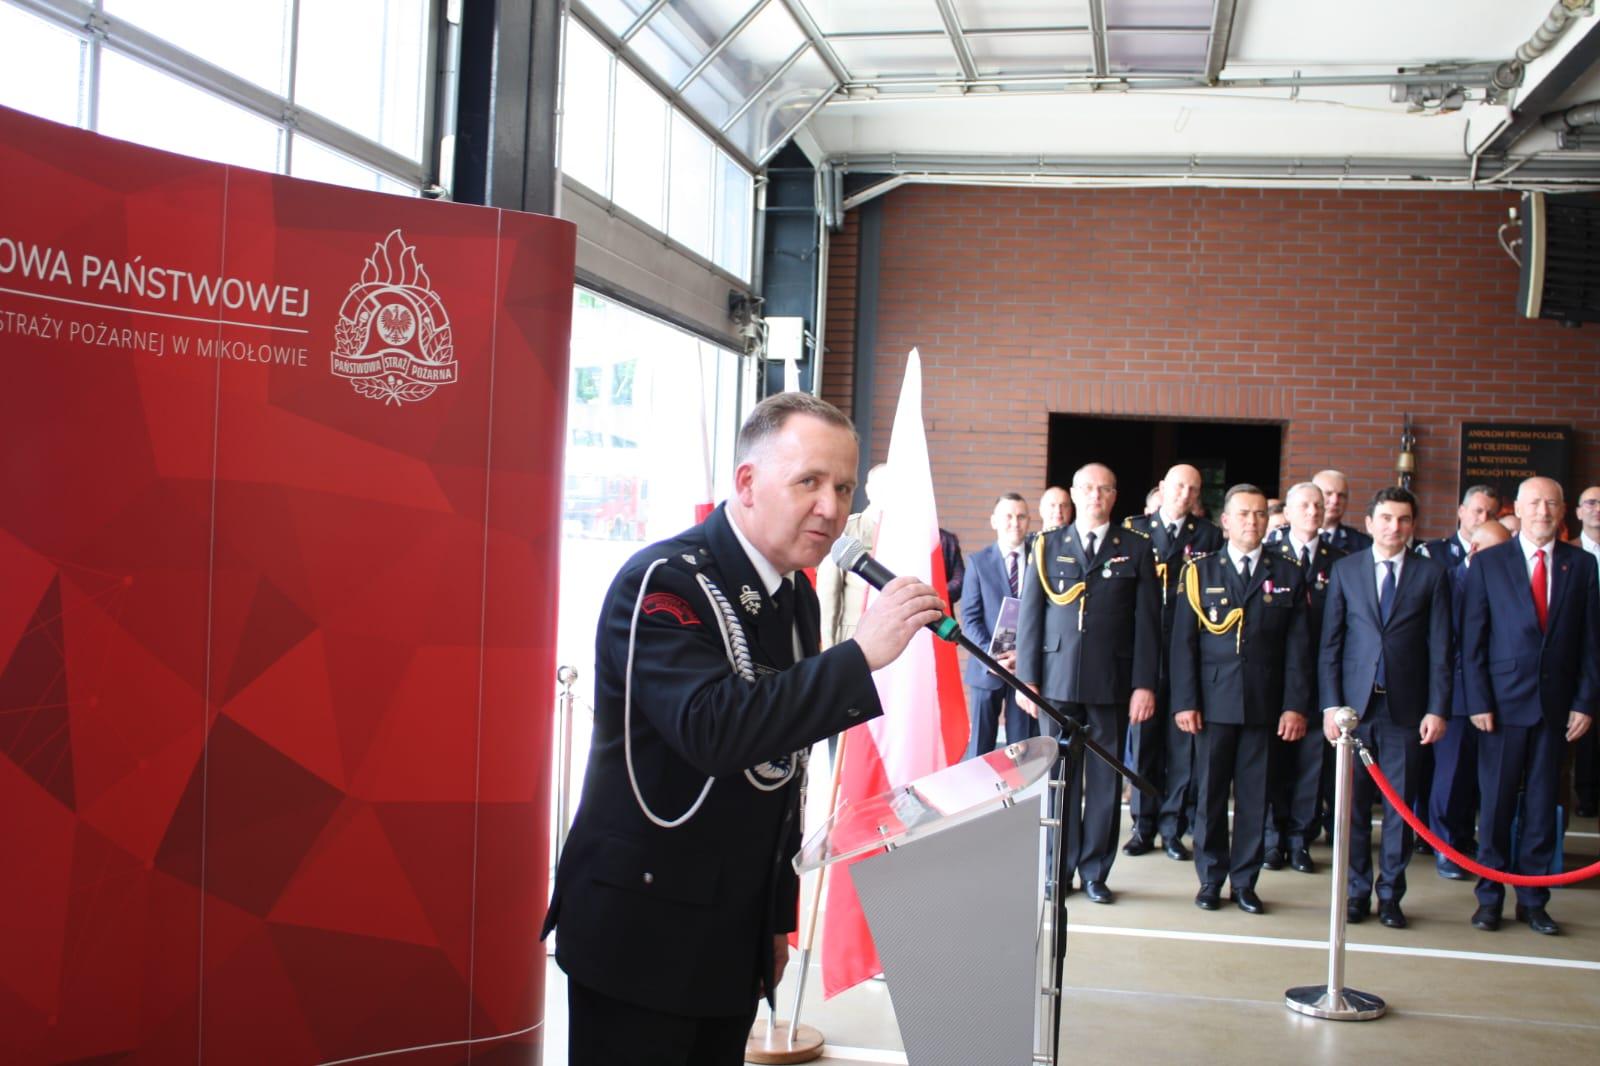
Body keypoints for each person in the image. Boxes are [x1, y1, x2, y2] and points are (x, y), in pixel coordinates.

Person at [543, 393, 946, 1065]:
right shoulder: (664, 583)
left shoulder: (794, 595)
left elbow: (782, 778)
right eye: (809, 481)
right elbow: (714, 731)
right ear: (748, 483)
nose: (831, 507)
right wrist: (858, 657)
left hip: (730, 935)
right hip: (642, 934)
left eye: (843, 487)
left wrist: (775, 920)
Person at [1016, 463, 1160, 905]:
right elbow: (1030, 617)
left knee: (1103, 784)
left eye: (1105, 489)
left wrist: (1144, 684)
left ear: (1114, 496)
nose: (1096, 495)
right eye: (1088, 488)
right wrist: (1026, 679)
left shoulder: (1135, 547)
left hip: (1111, 682)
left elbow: (1148, 624)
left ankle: (1096, 872)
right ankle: (1056, 870)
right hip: (1055, 682)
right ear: (1074, 494)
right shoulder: (1046, 545)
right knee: (1057, 779)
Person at [1462, 476, 1598, 935]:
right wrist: (1478, 699)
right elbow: (1472, 640)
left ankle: (1534, 901)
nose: (1543, 511)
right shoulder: (1489, 563)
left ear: (1563, 511)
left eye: (1551, 503)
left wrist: (1585, 702)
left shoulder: (1581, 566)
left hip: (1557, 710)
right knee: (1496, 806)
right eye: (1535, 503)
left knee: (1542, 809)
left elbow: (1591, 644)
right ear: (1517, 510)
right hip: (1500, 708)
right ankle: (1489, 898)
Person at [1171, 484, 1311, 915]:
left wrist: (1294, 705)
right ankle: (1211, 879)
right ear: (1226, 522)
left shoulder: (1287, 572)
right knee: (1210, 796)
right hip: (1212, 704)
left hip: (1264, 703)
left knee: (1255, 797)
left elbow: (1299, 648)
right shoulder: (1199, 572)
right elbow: (1183, 644)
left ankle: (1245, 882)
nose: (1253, 521)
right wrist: (1185, 701)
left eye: (1260, 514)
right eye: (1244, 514)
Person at [1318, 487, 1452, 929]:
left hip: (1406, 712)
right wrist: (1330, 706)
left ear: (1413, 525)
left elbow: (1440, 649)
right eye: (1387, 518)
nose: (1395, 527)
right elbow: (1331, 645)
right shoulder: (1346, 569)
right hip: (1353, 712)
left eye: (1404, 519)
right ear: (1370, 522)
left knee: (1400, 809)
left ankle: (1391, 895)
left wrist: (1438, 709)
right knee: (1352, 808)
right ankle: (1356, 892)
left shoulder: (1431, 575)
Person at [1120, 464, 1223, 861]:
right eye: (1179, 486)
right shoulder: (1134, 530)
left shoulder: (1208, 535)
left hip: (1187, 651)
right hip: (1144, 649)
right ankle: (1142, 825)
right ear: (1162, 488)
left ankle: (1172, 827)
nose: (1185, 494)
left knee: (1182, 747)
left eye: (1193, 489)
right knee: (1144, 743)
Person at [1263, 482, 1345, 873]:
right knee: (1271, 762)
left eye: (1318, 505)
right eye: (1305, 506)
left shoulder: (1339, 561)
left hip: (1318, 676)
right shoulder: (1268, 555)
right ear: (1288, 512)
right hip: (1272, 676)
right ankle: (1271, 838)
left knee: (1312, 764)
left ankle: (1299, 840)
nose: (1313, 512)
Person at [1430, 519, 1511, 879]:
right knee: (1451, 776)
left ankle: (1463, 839)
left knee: (1476, 779)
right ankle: (1445, 846)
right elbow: (1445, 646)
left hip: (1493, 696)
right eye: (1499, 551)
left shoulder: (1501, 580)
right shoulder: (1448, 581)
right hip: (1457, 696)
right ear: (1475, 550)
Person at [961, 493, 1036, 757]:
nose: (1015, 522)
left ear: (1029, 521)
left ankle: (1019, 787)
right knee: (980, 749)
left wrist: (1023, 656)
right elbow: (970, 619)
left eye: (1021, 516)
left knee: (1023, 751)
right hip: (987, 670)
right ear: (994, 521)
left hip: (1025, 671)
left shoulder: (1039, 559)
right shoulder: (978, 562)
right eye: (1008, 516)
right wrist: (992, 657)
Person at [816, 463, 886, 649]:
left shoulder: (907, 536)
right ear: (869, 490)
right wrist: (829, 647)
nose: (888, 493)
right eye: (883, 486)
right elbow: (829, 595)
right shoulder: (847, 529)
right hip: (855, 638)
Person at [1572, 484, 1600, 818]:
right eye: (1591, 502)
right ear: (1578, 511)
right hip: (1577, 655)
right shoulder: (1567, 553)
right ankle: (1586, 795)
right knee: (1583, 730)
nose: (1597, 508)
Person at [1420, 485, 1500, 569]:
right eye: (1478, 511)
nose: (1484, 519)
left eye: (1491, 514)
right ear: (1461, 512)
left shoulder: (1499, 555)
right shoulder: (1432, 552)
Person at [1310, 469, 1373, 553]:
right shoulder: (1293, 537)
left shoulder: (1363, 545)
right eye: (1328, 493)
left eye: (1341, 495)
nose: (1335, 501)